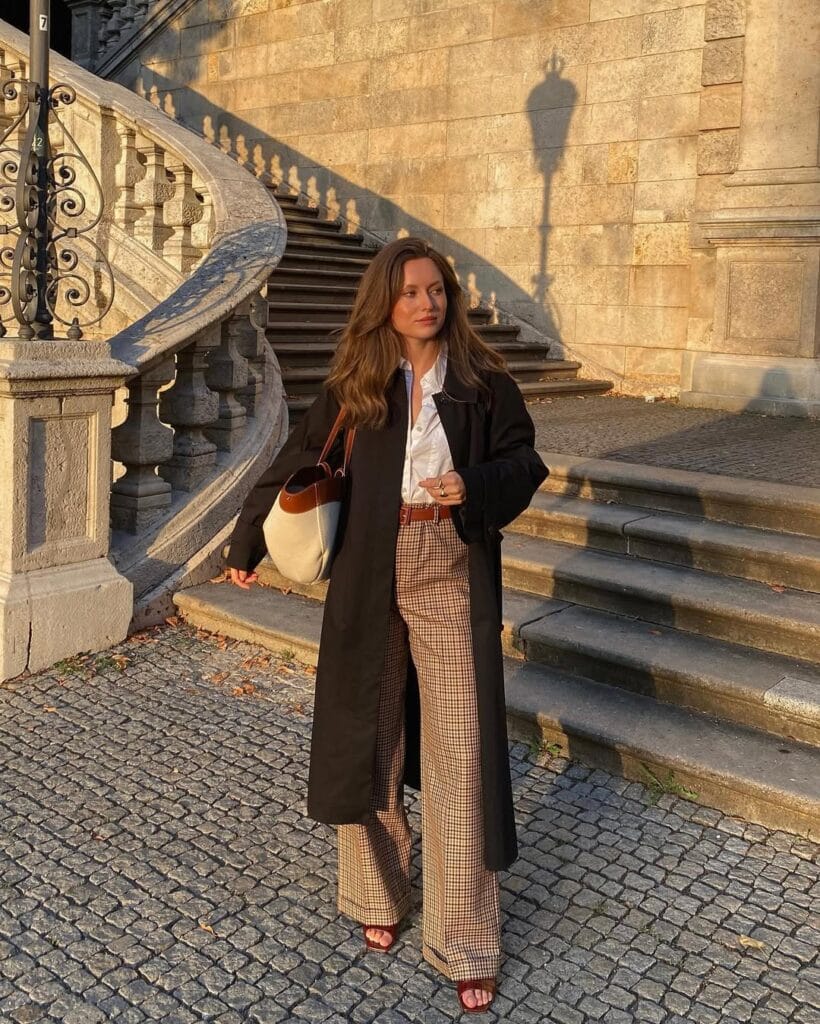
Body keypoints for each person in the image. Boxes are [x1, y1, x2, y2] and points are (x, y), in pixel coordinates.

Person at [226, 237, 547, 1013]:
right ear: (385, 302)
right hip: (369, 562)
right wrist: (248, 538)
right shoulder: (357, 382)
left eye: (436, 290)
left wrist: (468, 484)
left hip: (448, 562)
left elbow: (524, 463)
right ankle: (378, 896)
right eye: (409, 293)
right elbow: (301, 456)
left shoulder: (483, 383)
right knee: (369, 737)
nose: (426, 304)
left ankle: (465, 938)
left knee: (460, 751)